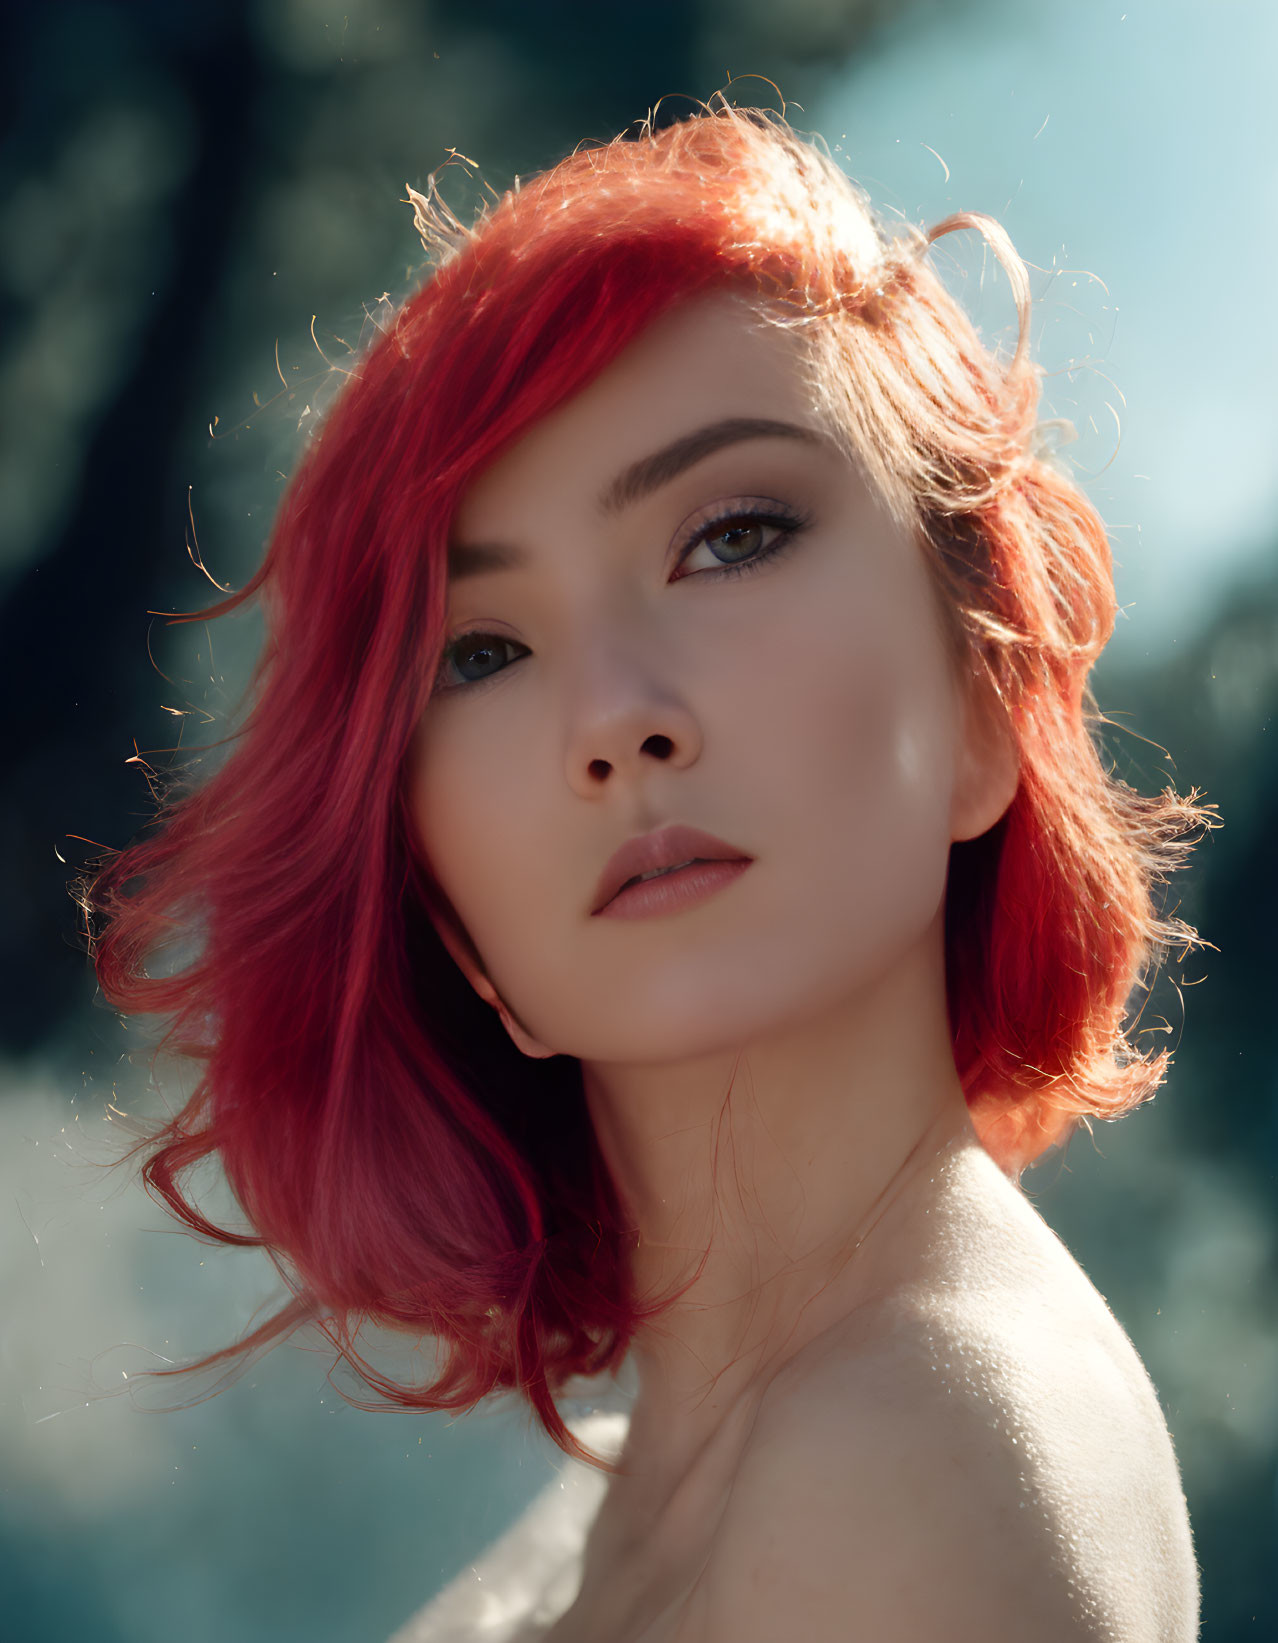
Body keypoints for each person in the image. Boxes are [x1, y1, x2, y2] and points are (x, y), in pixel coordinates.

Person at [88, 100, 1210, 1639]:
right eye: (478, 650)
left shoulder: (921, 1462)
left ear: (982, 698)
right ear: (448, 918)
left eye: (730, 538)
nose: (612, 719)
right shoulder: (645, 1469)